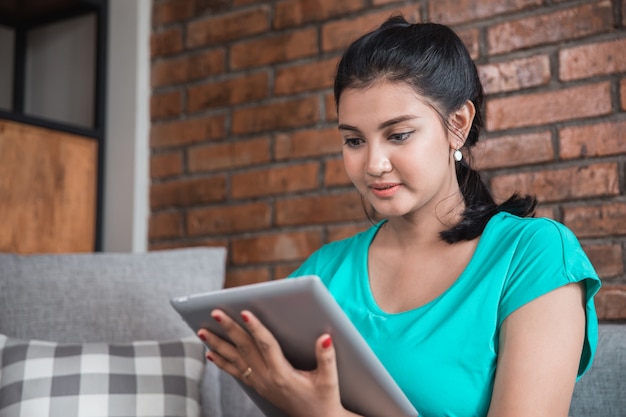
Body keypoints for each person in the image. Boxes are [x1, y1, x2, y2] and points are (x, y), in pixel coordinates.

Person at [197, 15, 601, 417]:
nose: (373, 164)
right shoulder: (321, 273)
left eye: (398, 135)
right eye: (354, 140)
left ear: (457, 125)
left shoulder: (533, 256)